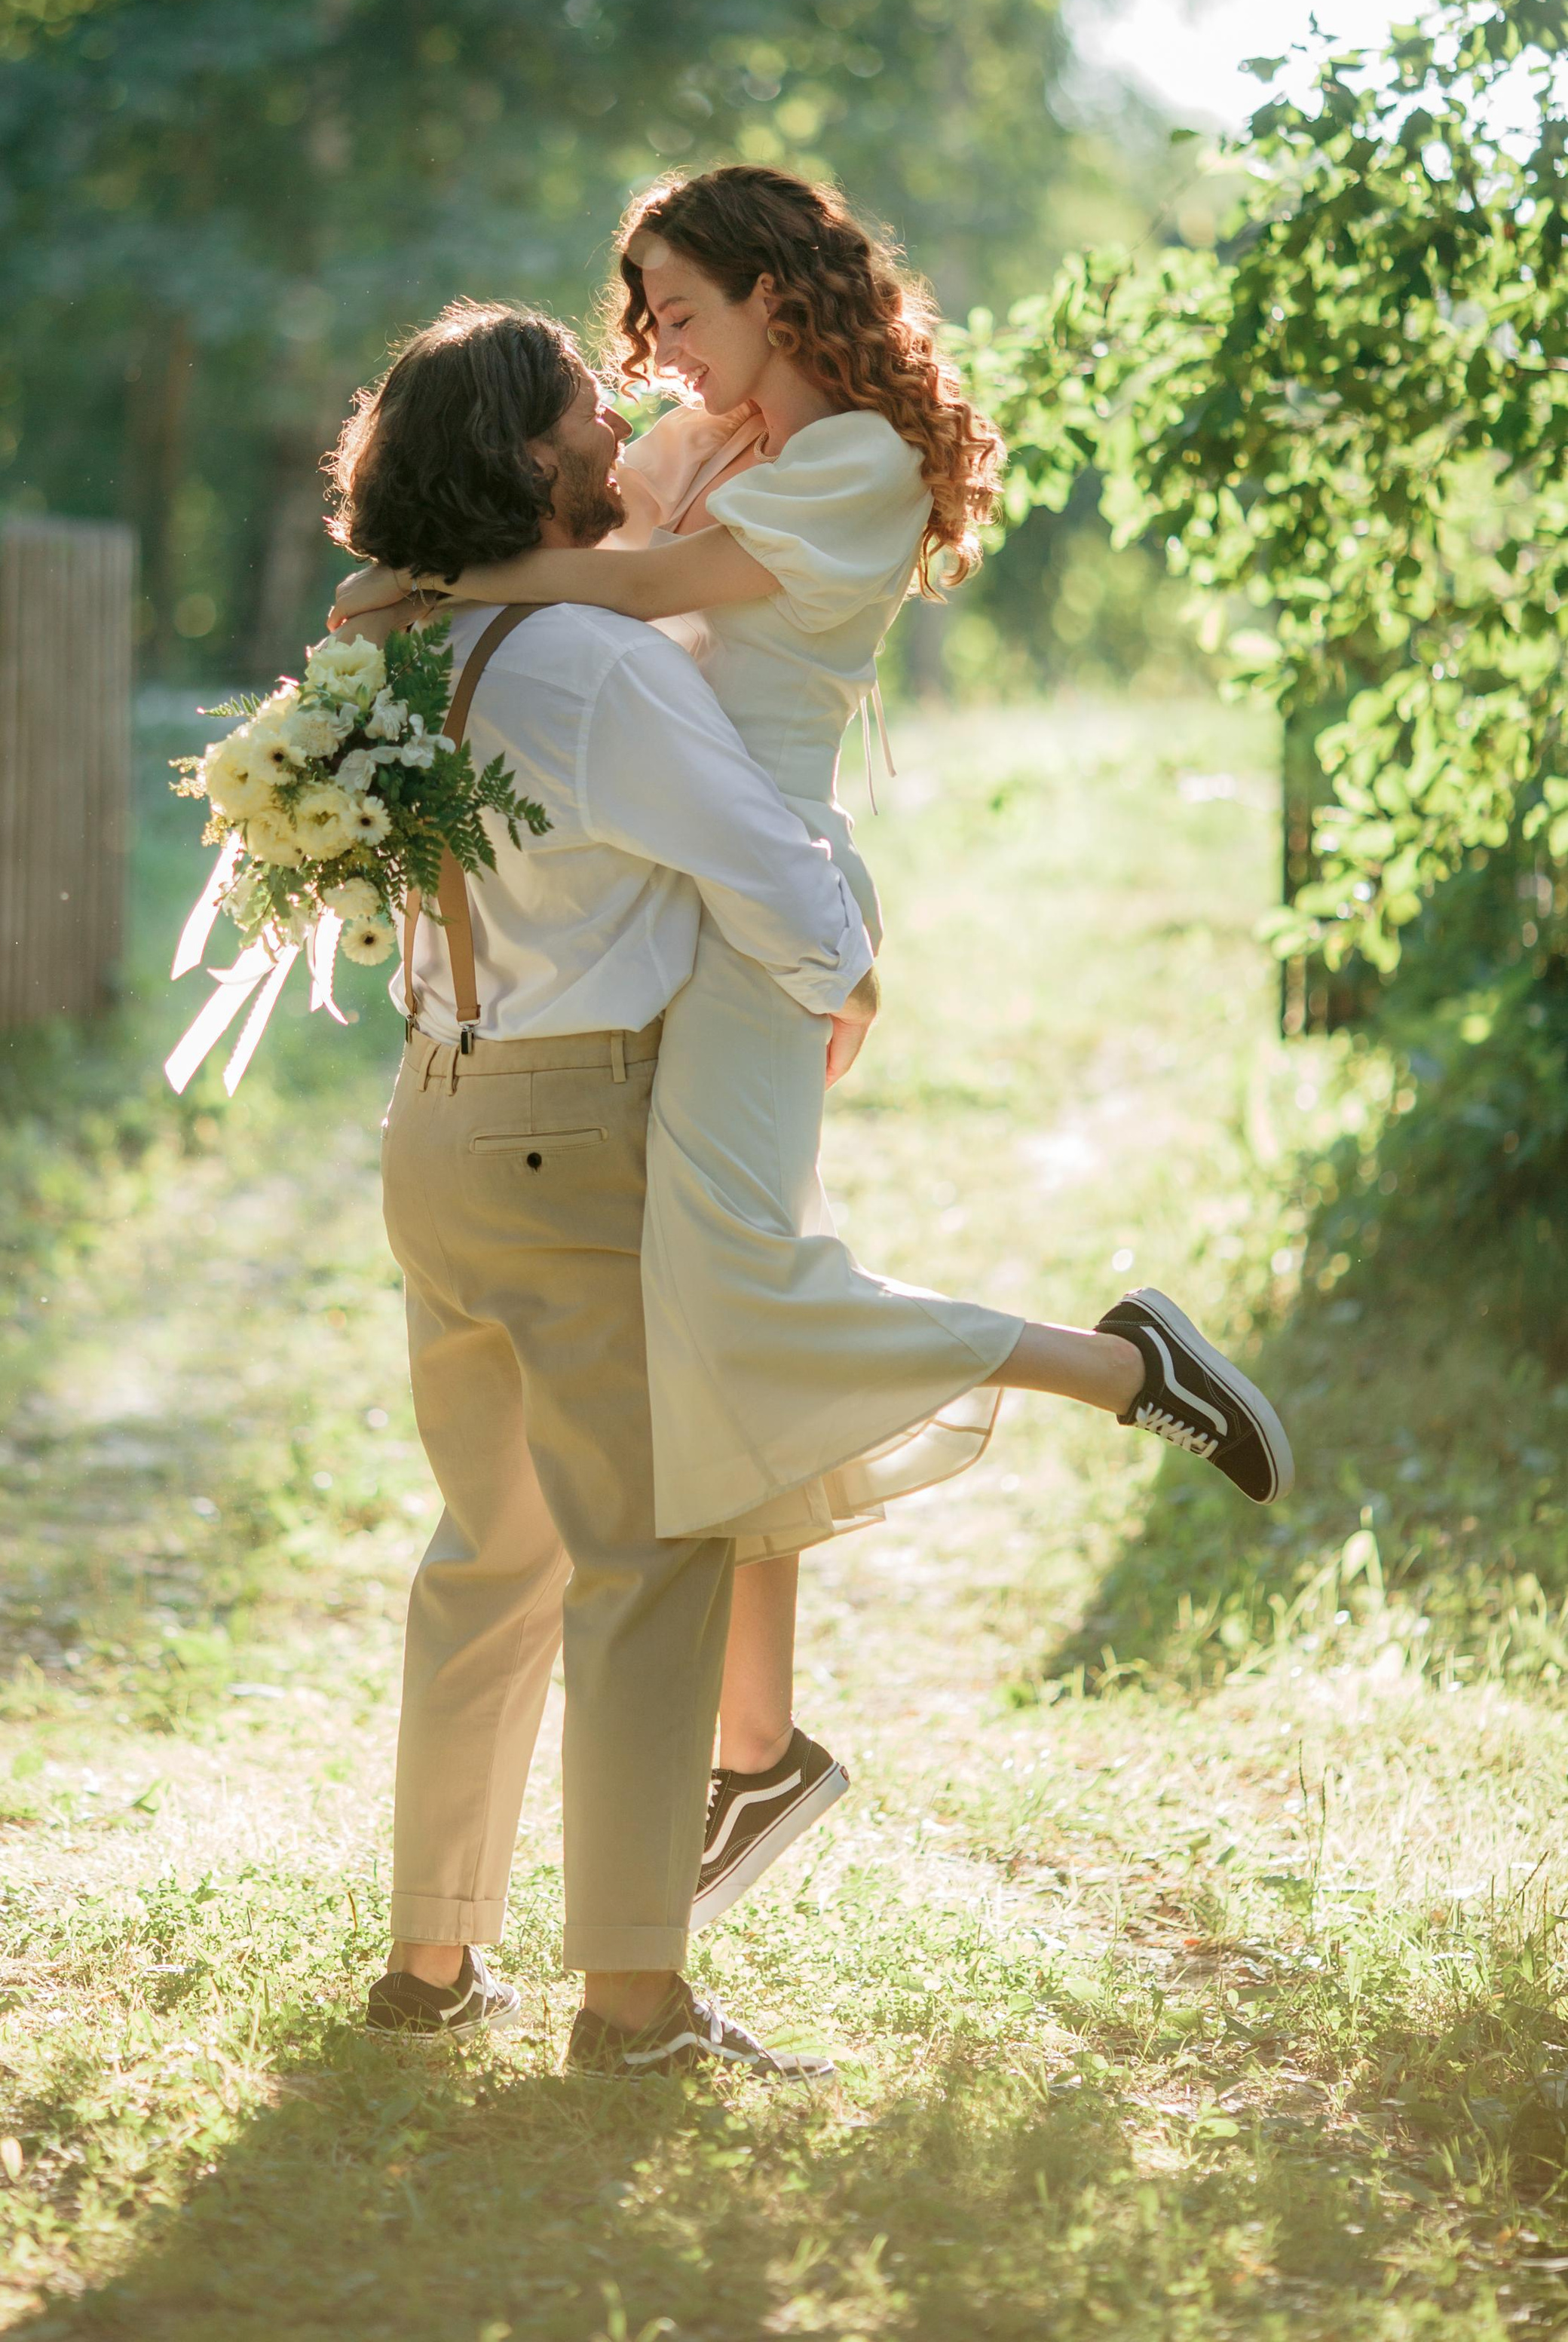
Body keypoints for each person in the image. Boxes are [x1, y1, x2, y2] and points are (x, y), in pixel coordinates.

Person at [333, 167, 1294, 1934]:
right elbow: (559, 505)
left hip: (759, 890)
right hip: (678, 891)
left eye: (676, 311)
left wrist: (433, 587)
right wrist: (451, 554)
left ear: (780, 293)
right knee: (713, 1314)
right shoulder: (702, 443)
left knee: (743, 1288)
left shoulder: (852, 460)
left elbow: (622, 595)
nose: (650, 353)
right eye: (634, 322)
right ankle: (756, 1743)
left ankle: (1110, 1367)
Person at [333, 300, 875, 2079]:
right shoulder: (600, 664)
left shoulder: (400, 647)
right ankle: (633, 2002)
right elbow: (763, 871)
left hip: (434, 1119)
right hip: (579, 1134)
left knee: (486, 1551)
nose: (618, 413)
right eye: (584, 404)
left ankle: (429, 1960)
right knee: (645, 1561)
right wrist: (842, 979)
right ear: (522, 459)